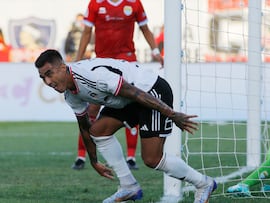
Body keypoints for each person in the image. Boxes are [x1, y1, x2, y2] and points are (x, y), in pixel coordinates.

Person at [34, 49, 217, 203]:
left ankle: (203, 183)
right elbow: (84, 126)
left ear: (63, 67)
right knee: (98, 131)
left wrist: (171, 113)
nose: (48, 82)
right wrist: (94, 160)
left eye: (49, 74)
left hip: (150, 91)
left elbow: (135, 93)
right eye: (43, 78)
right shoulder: (70, 95)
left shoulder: (92, 76)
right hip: (127, 100)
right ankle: (128, 186)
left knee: (152, 159)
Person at [71, 0, 164, 170]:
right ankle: (81, 156)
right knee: (90, 110)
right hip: (102, 64)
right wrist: (78, 59)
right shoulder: (95, 4)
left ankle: (130, 157)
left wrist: (155, 51)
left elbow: (145, 29)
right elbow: (86, 32)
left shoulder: (134, 3)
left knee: (133, 104)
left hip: (127, 62)